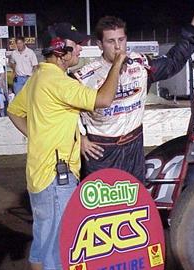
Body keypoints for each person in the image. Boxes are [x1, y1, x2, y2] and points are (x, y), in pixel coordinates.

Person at [7, 22, 126, 270]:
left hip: (40, 173)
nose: (81, 50)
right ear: (61, 49)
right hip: (56, 178)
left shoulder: (39, 76)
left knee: (42, 244)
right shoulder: (59, 83)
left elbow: (14, 111)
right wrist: (117, 64)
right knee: (59, 250)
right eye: (77, 45)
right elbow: (103, 99)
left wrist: (39, 136)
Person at [74, 4, 194, 182]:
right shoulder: (84, 77)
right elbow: (64, 111)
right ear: (100, 44)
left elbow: (173, 62)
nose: (117, 47)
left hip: (133, 146)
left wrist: (191, 28)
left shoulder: (140, 65)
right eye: (110, 41)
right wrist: (79, 138)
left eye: (121, 40)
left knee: (134, 202)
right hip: (101, 150)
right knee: (101, 207)